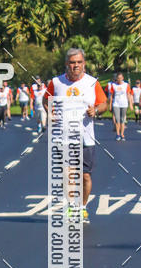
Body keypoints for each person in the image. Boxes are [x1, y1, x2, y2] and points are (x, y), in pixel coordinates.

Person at [44, 48, 107, 224]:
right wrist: (50, 112)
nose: (76, 66)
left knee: (85, 176)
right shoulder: (56, 83)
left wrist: (96, 110)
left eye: (79, 62)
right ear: (67, 64)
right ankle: (72, 206)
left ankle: (83, 207)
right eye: (72, 63)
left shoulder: (92, 83)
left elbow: (103, 104)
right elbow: (45, 100)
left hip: (86, 137)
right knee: (67, 173)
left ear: (83, 64)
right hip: (63, 137)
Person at [108, 71, 133, 141]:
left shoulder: (126, 85)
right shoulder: (114, 85)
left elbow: (128, 94)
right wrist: (110, 105)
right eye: (118, 78)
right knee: (117, 119)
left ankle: (122, 134)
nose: (119, 79)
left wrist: (130, 104)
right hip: (116, 104)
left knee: (122, 120)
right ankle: (118, 134)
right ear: (117, 78)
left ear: (123, 78)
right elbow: (112, 96)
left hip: (124, 104)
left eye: (121, 78)